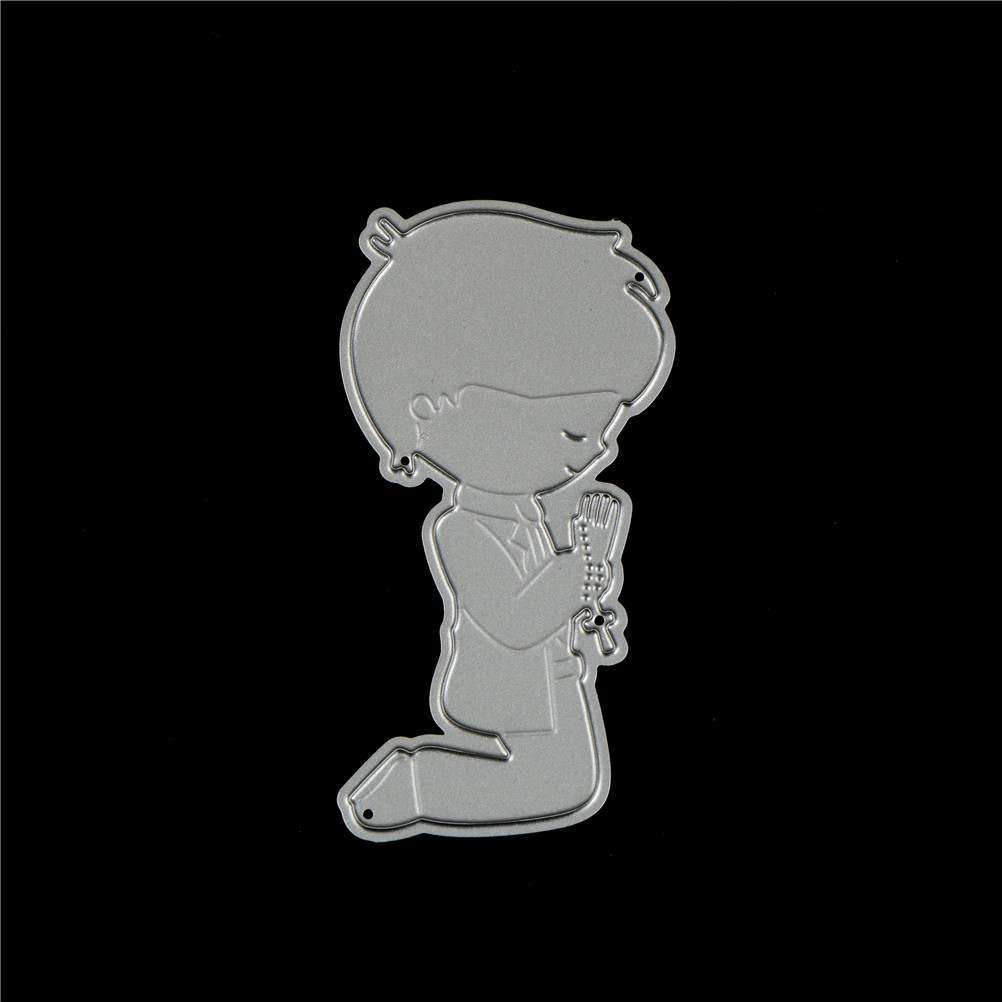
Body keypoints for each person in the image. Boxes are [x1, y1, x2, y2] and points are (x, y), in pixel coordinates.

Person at [337, 201, 675, 839]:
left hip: (552, 676)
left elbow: (556, 601)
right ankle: (411, 785)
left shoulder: (528, 512)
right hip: (509, 689)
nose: (598, 453)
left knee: (573, 780)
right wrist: (582, 562)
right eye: (573, 431)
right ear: (434, 409)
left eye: (605, 430)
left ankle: (416, 785)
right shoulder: (458, 529)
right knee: (564, 784)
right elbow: (515, 618)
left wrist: (594, 577)